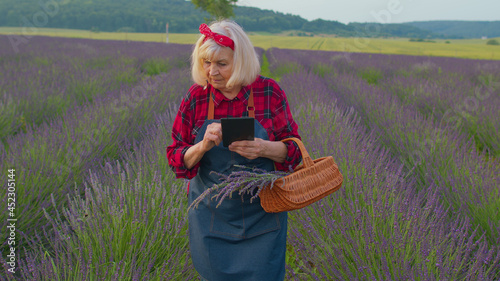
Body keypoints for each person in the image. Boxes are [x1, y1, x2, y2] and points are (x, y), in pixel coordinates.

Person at [166, 20, 302, 281]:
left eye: (222, 64)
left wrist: (265, 148)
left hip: (263, 216)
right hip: (212, 216)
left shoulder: (269, 92)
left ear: (240, 61)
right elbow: (176, 159)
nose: (212, 72)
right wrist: (202, 146)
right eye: (206, 62)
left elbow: (294, 151)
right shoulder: (196, 98)